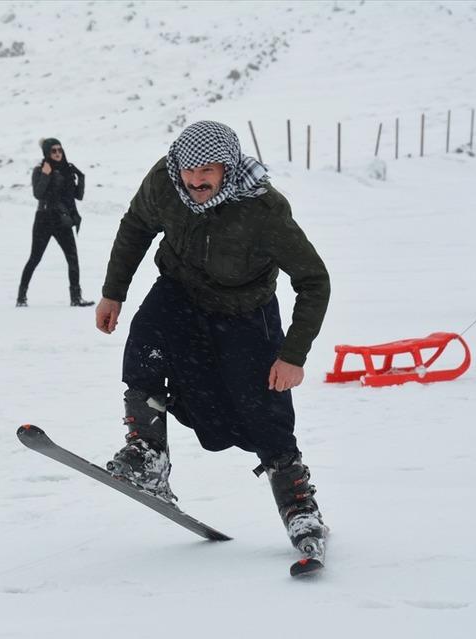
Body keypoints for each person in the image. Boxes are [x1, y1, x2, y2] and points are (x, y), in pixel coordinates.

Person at [94, 120, 331, 555]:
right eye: (190, 170)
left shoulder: (264, 209)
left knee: (266, 406)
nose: (197, 180)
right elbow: (135, 227)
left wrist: (293, 354)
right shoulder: (165, 183)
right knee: (146, 341)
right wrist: (114, 292)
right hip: (181, 292)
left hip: (245, 311)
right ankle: (148, 455)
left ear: (228, 167)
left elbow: (314, 280)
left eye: (208, 170)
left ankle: (300, 508)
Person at [17, 138, 93, 308]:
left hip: (62, 220)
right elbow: (38, 193)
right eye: (53, 151)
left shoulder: (67, 170)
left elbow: (77, 196)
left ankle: (76, 298)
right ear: (46, 153)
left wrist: (80, 177)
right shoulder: (40, 170)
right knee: (35, 258)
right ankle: (21, 297)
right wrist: (45, 174)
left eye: (59, 150)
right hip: (44, 219)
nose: (58, 153)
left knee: (73, 258)